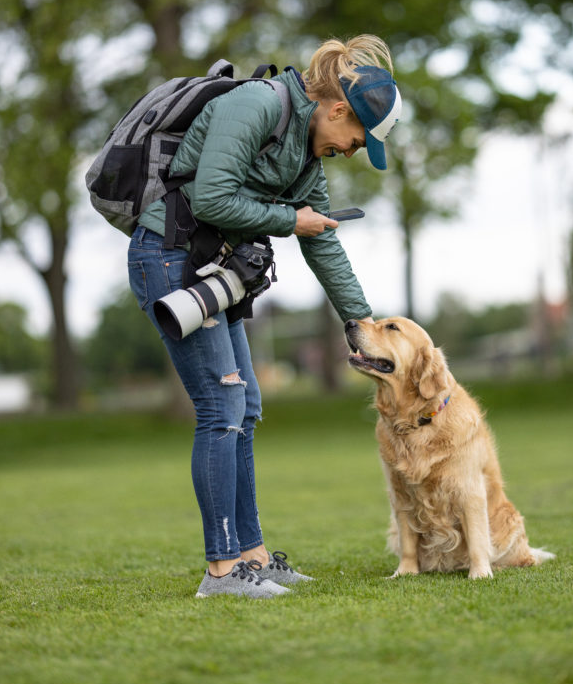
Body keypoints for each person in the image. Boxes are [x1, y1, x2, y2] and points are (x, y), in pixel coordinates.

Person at [127, 34, 401, 599]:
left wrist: (368, 327)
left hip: (210, 268)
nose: (352, 151)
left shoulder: (306, 155)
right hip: (169, 256)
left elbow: (322, 241)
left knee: (245, 403)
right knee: (221, 406)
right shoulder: (257, 106)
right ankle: (222, 572)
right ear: (337, 108)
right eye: (356, 139)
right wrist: (288, 219)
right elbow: (210, 199)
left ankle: (253, 556)